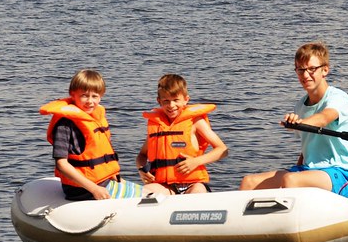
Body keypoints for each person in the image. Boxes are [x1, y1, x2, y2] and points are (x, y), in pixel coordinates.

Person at [239, 42, 348, 198]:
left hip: (343, 173)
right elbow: (307, 148)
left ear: (325, 70)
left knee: (291, 180)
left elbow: (324, 118)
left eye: (311, 69)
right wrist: (297, 167)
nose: (305, 75)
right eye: (300, 70)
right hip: (309, 169)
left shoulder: (338, 97)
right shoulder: (300, 105)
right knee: (249, 182)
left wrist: (299, 124)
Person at [41, 69, 140, 201]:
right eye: (84, 96)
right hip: (81, 189)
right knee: (147, 196)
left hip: (102, 181)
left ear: (101, 96)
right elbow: (61, 164)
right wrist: (94, 189)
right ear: (72, 94)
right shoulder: (64, 124)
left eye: (94, 96)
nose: (90, 101)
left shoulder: (94, 119)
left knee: (151, 192)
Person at [136, 74, 228, 195]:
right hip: (165, 185)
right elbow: (142, 155)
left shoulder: (196, 122)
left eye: (176, 100)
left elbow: (222, 150)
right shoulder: (158, 125)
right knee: (145, 192)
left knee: (198, 192)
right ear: (159, 101)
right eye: (166, 101)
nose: (171, 105)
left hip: (193, 183)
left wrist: (195, 162)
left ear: (186, 99)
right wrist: (141, 169)